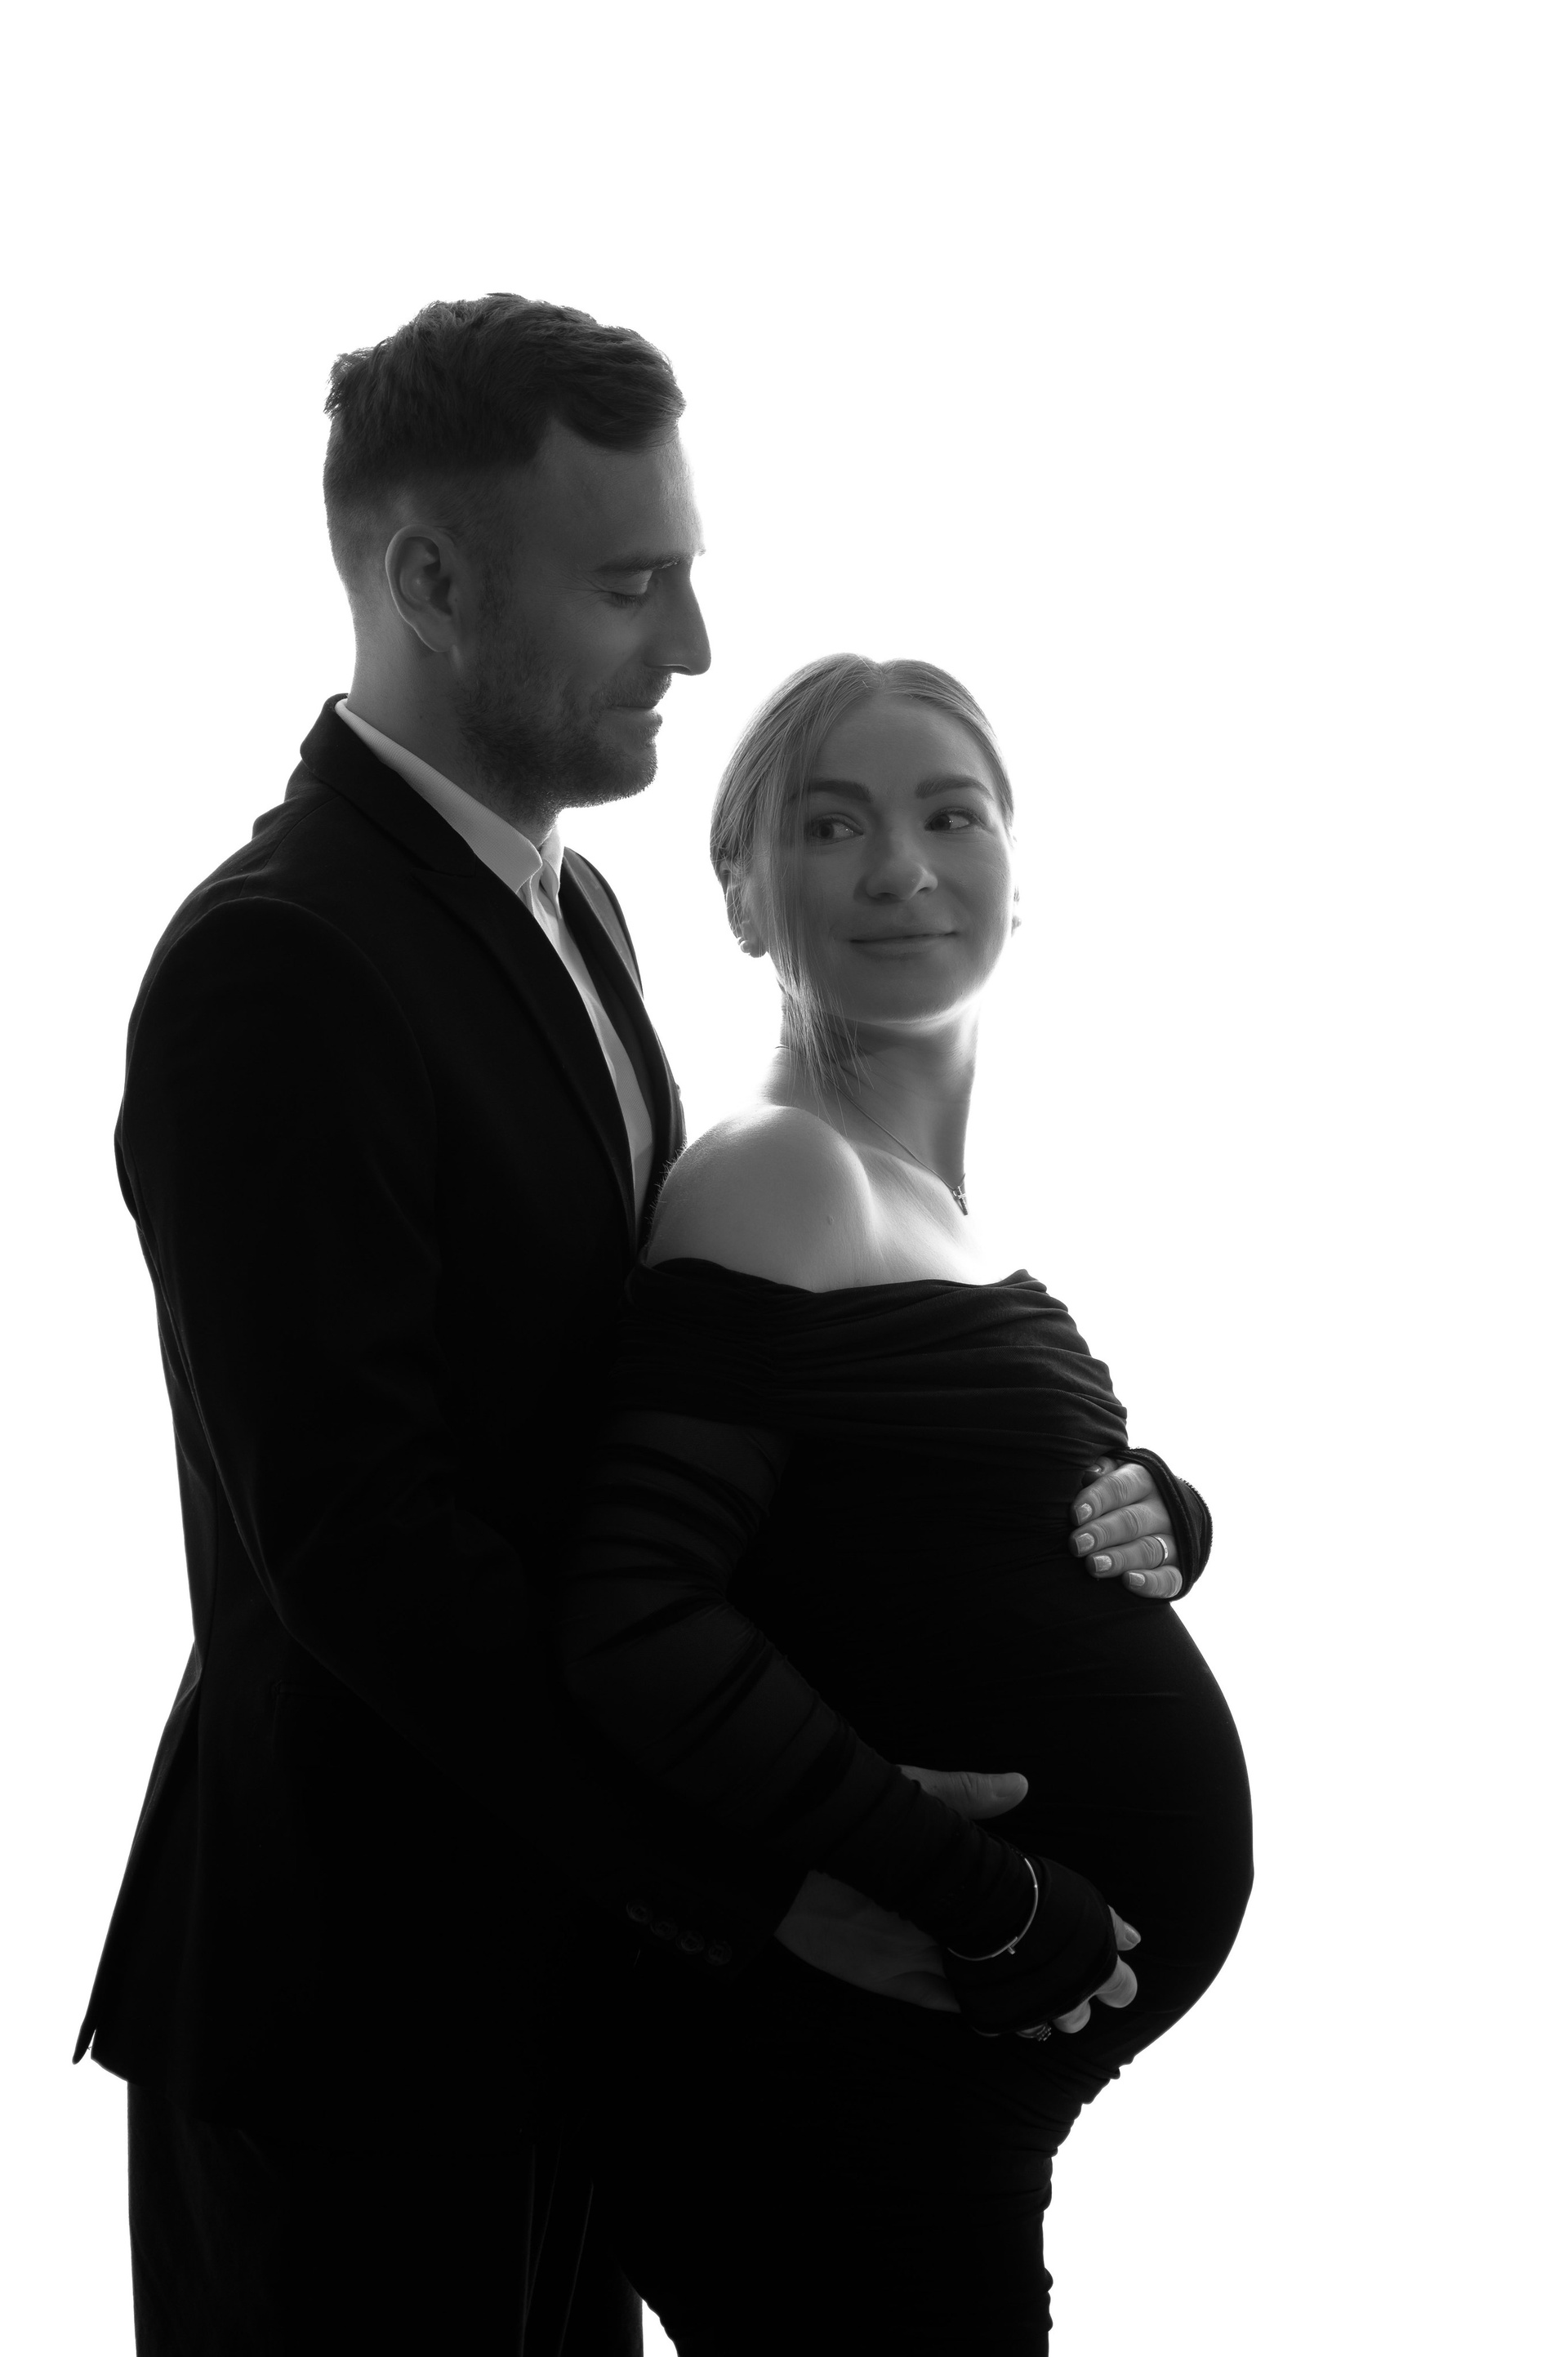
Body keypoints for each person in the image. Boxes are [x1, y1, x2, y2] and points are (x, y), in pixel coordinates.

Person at [73, 296, 1194, 2355]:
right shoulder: (280, 963)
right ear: (431, 584)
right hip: (362, 2013)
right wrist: (764, 1873)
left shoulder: (565, 911)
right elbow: (361, 1546)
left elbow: (677, 1421)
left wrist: (1096, 1514)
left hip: (575, 1979)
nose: (690, 641)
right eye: (629, 584)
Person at [555, 655, 1254, 2353]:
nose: (901, 869)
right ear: (739, 893)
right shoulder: (778, 1172)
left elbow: (899, 1545)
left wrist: (1158, 1513)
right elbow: (633, 1613)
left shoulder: (911, 1206)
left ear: (1019, 869)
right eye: (831, 825)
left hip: (929, 2100)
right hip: (835, 2097)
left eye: (951, 816)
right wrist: (975, 1895)